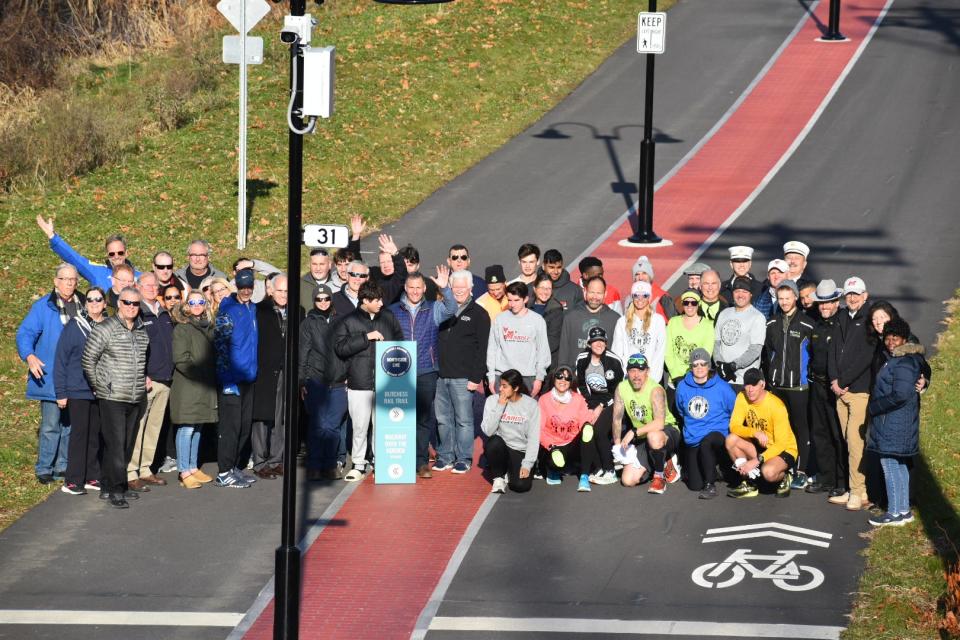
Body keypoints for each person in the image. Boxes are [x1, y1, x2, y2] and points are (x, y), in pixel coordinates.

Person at [81, 286, 150, 509]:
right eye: (127, 302)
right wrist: (101, 385)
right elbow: (88, 360)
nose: (131, 307)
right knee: (115, 444)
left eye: (135, 303)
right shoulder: (105, 328)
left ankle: (109, 485)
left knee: (126, 444)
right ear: (118, 303)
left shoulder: (141, 331)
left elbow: (142, 363)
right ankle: (116, 489)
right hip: (112, 397)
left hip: (135, 396)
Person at [16, 263, 82, 484]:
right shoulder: (43, 307)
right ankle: (45, 467)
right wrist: (30, 356)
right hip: (51, 375)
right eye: (65, 279)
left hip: (77, 375)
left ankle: (63, 465)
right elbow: (25, 333)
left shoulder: (84, 303)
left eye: (73, 279)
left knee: (70, 424)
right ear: (56, 281)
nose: (70, 283)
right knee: (51, 424)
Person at [388, 268, 456, 478]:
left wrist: (444, 288)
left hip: (426, 370)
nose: (415, 291)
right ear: (405, 288)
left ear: (425, 288)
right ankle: (400, 460)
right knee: (400, 417)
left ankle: (421, 462)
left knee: (423, 418)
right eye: (411, 287)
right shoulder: (392, 310)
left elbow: (452, 308)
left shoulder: (434, 308)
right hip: (400, 371)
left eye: (419, 287)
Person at [333, 281, 403, 481]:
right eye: (377, 300)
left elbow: (400, 343)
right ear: (365, 301)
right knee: (360, 427)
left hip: (384, 382)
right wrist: (366, 337)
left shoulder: (389, 318)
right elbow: (340, 348)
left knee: (382, 425)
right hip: (358, 382)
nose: (381, 303)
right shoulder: (349, 320)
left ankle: (380, 463)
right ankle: (358, 464)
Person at [866, 318, 924, 527]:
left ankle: (893, 512)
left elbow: (901, 394)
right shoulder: (901, 358)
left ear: (904, 339)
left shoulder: (904, 362)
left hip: (894, 422)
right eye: (888, 338)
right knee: (898, 466)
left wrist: (875, 407)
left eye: (895, 338)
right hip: (895, 422)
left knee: (890, 465)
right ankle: (903, 511)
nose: (890, 342)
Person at [433, 270, 491, 474]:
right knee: (442, 419)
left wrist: (476, 377)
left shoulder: (479, 314)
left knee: (464, 420)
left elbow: (483, 349)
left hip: (464, 377)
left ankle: (463, 458)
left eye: (462, 287)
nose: (458, 291)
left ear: (471, 288)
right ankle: (445, 456)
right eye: (454, 287)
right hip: (441, 375)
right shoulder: (441, 309)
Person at [827, 276, 874, 511]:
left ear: (865, 296)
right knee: (847, 441)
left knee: (856, 442)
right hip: (840, 391)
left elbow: (865, 358)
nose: (852, 298)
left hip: (859, 390)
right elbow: (834, 349)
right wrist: (835, 380)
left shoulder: (869, 320)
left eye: (856, 294)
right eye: (849, 294)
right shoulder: (842, 317)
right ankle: (858, 488)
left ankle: (857, 491)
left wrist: (843, 381)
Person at [54, 287, 108, 495]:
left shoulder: (109, 325)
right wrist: (61, 392)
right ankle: (72, 480)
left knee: (95, 434)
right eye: (90, 300)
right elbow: (61, 360)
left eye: (99, 299)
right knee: (79, 434)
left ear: (105, 303)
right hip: (77, 389)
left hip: (100, 390)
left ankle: (91, 476)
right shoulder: (75, 326)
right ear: (85, 303)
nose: (94, 303)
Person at [124, 272, 174, 492]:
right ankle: (131, 471)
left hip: (165, 380)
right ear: (138, 286)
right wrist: (142, 373)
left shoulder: (163, 312)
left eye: (155, 285)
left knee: (154, 427)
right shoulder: (138, 312)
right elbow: (134, 347)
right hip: (147, 380)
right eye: (148, 285)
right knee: (139, 426)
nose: (153, 288)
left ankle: (145, 469)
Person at [763, 280, 815, 489]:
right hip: (777, 386)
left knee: (800, 427)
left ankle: (802, 470)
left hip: (799, 386)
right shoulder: (772, 324)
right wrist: (770, 377)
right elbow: (768, 354)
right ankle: (781, 464)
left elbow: (814, 356)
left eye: (788, 298)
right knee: (780, 428)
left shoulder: (807, 324)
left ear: (795, 298)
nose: (784, 302)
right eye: (781, 298)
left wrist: (807, 376)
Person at [213, 268, 259, 489]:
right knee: (230, 428)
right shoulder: (227, 310)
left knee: (243, 427)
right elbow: (220, 348)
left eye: (249, 286)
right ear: (236, 287)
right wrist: (227, 380)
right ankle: (223, 471)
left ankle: (233, 467)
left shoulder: (252, 309)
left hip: (249, 376)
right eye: (242, 287)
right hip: (231, 378)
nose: (246, 290)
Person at [611, 353, 680, 494]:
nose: (636, 375)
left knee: (653, 437)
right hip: (643, 436)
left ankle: (659, 476)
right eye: (632, 370)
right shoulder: (622, 388)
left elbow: (660, 423)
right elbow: (617, 419)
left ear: (647, 371)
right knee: (628, 480)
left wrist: (633, 432)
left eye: (640, 370)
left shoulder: (656, 390)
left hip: (667, 431)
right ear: (627, 372)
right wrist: (617, 446)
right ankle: (661, 461)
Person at [169, 290, 218, 489]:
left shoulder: (208, 327)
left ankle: (192, 466)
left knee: (198, 427)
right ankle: (183, 471)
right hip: (189, 386)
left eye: (200, 301)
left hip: (204, 386)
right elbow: (181, 360)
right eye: (192, 302)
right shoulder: (183, 328)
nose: (197, 305)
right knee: (187, 428)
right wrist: (202, 377)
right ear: (186, 306)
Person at [725, 368, 798, 499]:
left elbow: (781, 444)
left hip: (783, 449)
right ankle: (749, 483)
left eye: (754, 385)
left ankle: (785, 476)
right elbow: (734, 426)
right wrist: (754, 432)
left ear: (762, 384)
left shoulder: (776, 405)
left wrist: (756, 461)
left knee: (768, 472)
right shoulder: (742, 397)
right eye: (747, 385)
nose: (750, 389)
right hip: (760, 445)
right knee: (731, 440)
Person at [675, 348, 737, 499]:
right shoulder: (683, 387)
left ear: (709, 366)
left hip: (717, 436)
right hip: (693, 438)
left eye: (703, 364)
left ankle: (710, 485)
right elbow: (681, 411)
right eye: (695, 365)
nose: (699, 368)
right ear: (691, 367)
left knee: (707, 442)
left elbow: (734, 411)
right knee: (694, 486)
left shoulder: (722, 387)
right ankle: (713, 470)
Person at [301, 284, 348, 480]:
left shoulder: (341, 321)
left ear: (331, 300)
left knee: (333, 426)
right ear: (314, 301)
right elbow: (302, 353)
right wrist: (302, 381)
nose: (323, 302)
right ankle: (314, 465)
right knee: (319, 425)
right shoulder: (307, 323)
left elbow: (347, 350)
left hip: (338, 382)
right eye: (319, 299)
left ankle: (330, 465)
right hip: (316, 380)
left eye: (326, 299)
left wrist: (348, 375)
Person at [806, 280, 848, 500]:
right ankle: (826, 477)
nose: (824, 307)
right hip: (817, 385)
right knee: (820, 433)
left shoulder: (842, 325)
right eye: (821, 303)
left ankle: (842, 481)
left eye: (828, 303)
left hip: (834, 387)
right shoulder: (817, 325)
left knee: (837, 434)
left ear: (836, 302)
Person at [251, 275, 291, 479]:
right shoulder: (260, 310)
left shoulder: (296, 311)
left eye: (287, 291)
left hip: (287, 372)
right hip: (265, 372)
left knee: (282, 418)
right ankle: (260, 461)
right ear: (271, 290)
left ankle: (277, 460)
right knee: (262, 419)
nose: (284, 295)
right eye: (280, 291)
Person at [36, 215, 140, 290]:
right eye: (112, 254)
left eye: (120, 253)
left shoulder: (140, 277)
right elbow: (74, 259)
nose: (116, 256)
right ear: (107, 255)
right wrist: (53, 237)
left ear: (126, 253)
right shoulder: (97, 272)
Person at [537, 366, 599, 492]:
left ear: (571, 382)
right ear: (554, 378)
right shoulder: (544, 400)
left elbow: (585, 417)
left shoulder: (578, 399)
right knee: (556, 462)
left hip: (572, 443)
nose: (563, 380)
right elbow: (539, 429)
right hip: (553, 445)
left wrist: (587, 423)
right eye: (559, 376)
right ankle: (554, 469)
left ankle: (584, 476)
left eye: (567, 378)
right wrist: (550, 446)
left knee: (588, 431)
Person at [575, 327, 623, 485]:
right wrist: (589, 406)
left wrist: (601, 406)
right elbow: (580, 385)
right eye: (595, 341)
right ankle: (599, 467)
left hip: (612, 401)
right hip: (591, 401)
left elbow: (618, 390)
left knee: (599, 430)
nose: (599, 344)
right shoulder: (582, 359)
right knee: (587, 428)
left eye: (602, 340)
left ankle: (610, 470)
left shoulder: (614, 361)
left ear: (606, 342)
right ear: (589, 343)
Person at [487, 281, 552, 397]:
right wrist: (491, 377)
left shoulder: (537, 320)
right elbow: (492, 349)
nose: (512, 304)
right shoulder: (500, 319)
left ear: (525, 299)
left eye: (516, 300)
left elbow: (543, 351)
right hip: (502, 376)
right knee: (502, 414)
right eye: (510, 300)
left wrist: (539, 378)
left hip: (527, 377)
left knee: (525, 414)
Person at [481, 370, 540, 494]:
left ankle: (511, 471)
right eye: (500, 385)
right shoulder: (492, 401)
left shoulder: (531, 405)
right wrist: (500, 406)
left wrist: (527, 464)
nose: (500, 389)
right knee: (493, 442)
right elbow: (488, 431)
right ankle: (498, 477)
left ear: (516, 388)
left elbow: (534, 438)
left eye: (504, 386)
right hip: (501, 447)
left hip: (520, 450)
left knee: (520, 486)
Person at [712, 277, 765, 389]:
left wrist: (732, 366)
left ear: (750, 294)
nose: (740, 295)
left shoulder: (757, 317)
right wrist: (720, 365)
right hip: (722, 378)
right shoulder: (724, 313)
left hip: (743, 381)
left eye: (744, 292)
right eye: (737, 291)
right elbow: (716, 343)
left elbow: (755, 350)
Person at [558, 276, 621, 368]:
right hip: (576, 376)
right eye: (592, 292)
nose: (595, 297)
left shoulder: (615, 319)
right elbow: (564, 350)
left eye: (599, 293)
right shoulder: (570, 317)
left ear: (605, 294)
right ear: (585, 292)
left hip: (605, 376)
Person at [611, 280, 666, 385]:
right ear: (632, 297)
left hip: (651, 379)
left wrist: (652, 379)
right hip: (628, 379)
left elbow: (660, 352)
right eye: (636, 295)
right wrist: (626, 376)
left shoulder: (658, 321)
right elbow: (617, 352)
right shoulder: (622, 321)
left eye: (645, 295)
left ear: (649, 297)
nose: (640, 299)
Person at [664, 289, 714, 389]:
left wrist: (692, 376)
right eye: (686, 302)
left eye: (693, 302)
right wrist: (676, 375)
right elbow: (667, 352)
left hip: (698, 381)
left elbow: (706, 354)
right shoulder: (673, 323)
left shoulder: (708, 326)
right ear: (682, 304)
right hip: (675, 381)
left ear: (698, 304)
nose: (690, 306)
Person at [527, 273, 564, 374]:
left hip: (547, 364)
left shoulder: (556, 309)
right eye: (542, 288)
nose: (545, 292)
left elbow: (552, 341)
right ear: (535, 289)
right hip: (526, 361)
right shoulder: (526, 306)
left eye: (548, 288)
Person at [631, 255, 672, 319]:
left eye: (644, 273)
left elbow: (674, 321)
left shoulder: (662, 296)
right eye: (637, 274)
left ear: (650, 276)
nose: (640, 277)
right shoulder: (630, 297)